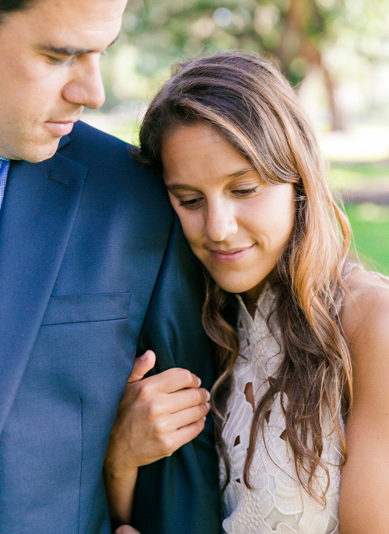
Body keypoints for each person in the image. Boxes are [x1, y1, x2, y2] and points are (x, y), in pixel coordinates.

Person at [108, 51, 389, 533]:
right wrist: (121, 458)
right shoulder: (197, 323)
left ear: (297, 180)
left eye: (243, 190)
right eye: (190, 200)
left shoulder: (370, 322)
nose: (218, 229)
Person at [0, 0, 221, 533]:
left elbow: (185, 451)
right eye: (58, 55)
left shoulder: (135, 199)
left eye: (101, 52)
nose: (92, 92)